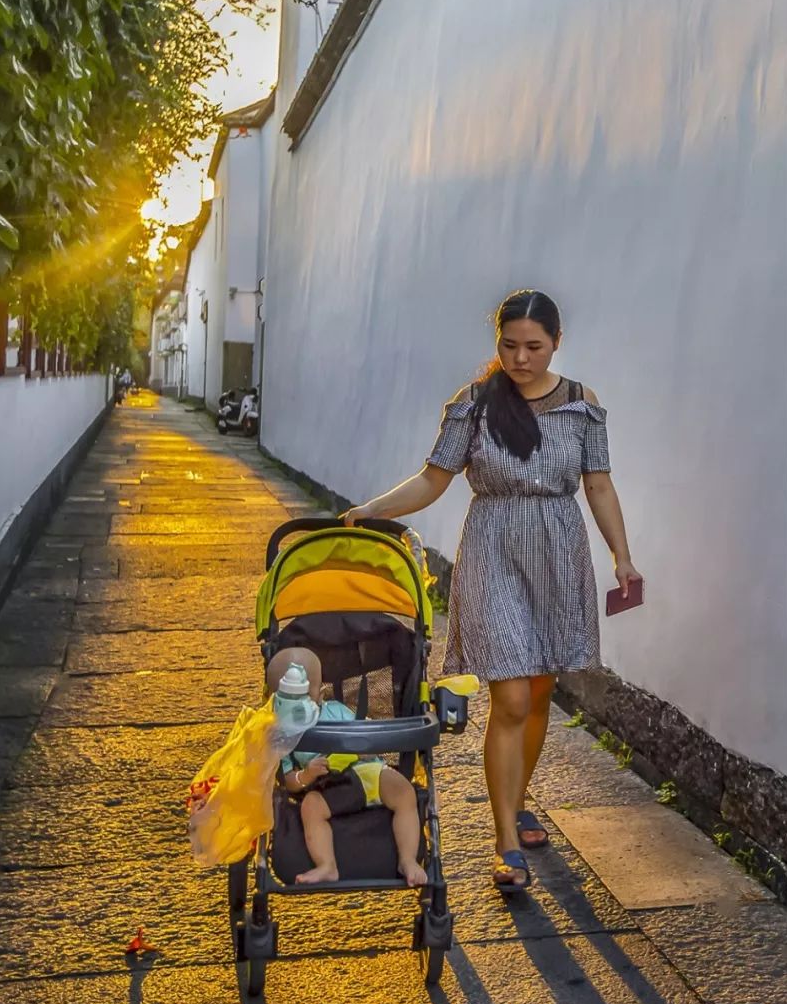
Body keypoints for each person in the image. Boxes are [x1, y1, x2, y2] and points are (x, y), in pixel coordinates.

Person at [344, 289, 640, 897]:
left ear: (557, 342)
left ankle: (520, 799)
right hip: (494, 549)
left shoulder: (582, 405)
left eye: (534, 347)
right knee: (507, 699)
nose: (521, 358)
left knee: (537, 696)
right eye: (509, 345)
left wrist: (623, 557)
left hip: (559, 552)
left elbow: (600, 486)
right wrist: (374, 509)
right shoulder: (475, 405)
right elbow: (434, 478)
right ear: (497, 341)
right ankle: (504, 838)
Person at [266, 648, 428, 888]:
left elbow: (366, 741)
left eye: (304, 697)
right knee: (310, 806)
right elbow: (289, 779)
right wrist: (306, 774)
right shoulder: (281, 734)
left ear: (320, 694)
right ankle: (326, 865)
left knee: (405, 792)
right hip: (326, 786)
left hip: (366, 772)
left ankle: (407, 860)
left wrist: (364, 745)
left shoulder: (337, 711)